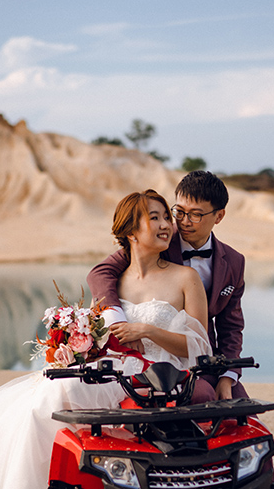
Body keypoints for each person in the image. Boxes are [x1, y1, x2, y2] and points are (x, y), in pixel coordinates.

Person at [0, 190, 211, 489]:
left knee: (59, 400)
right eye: (154, 217)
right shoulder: (114, 283)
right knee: (40, 401)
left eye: (166, 216)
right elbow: (99, 341)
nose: (167, 225)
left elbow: (201, 348)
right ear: (130, 230)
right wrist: (70, 348)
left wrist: (147, 330)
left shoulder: (185, 278)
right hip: (114, 372)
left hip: (163, 377)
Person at [88, 170, 247, 402]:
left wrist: (228, 376)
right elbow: (100, 273)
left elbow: (231, 328)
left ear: (219, 216)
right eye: (179, 212)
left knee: (238, 417)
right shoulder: (155, 238)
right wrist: (115, 318)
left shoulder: (233, 262)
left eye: (195, 215)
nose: (183, 222)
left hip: (202, 360)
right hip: (138, 362)